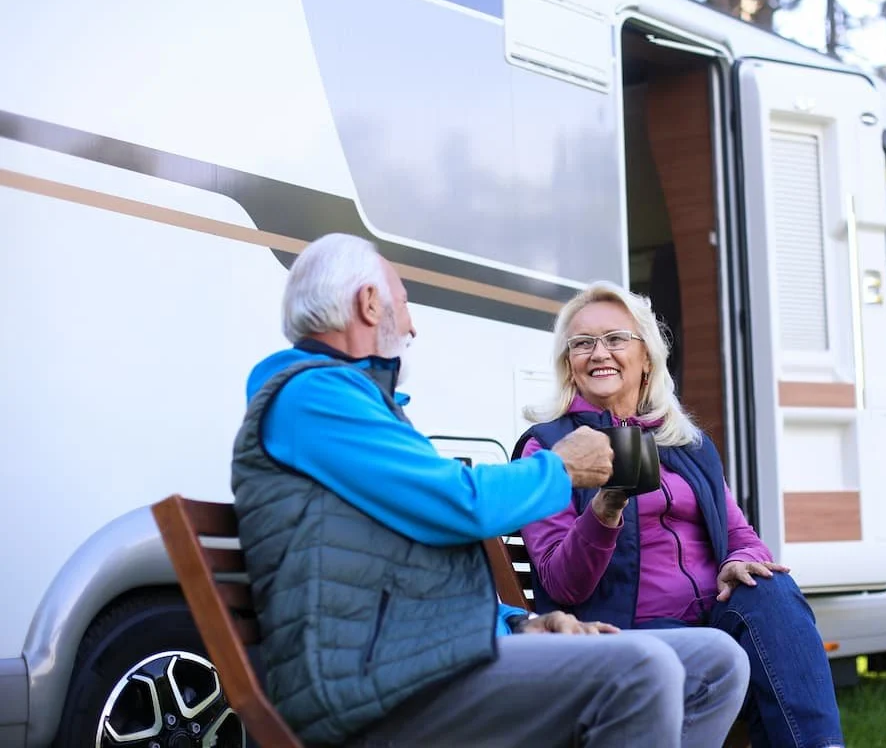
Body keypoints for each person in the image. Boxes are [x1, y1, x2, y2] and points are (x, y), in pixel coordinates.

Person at [229, 235, 750, 748]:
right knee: (644, 667)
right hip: (373, 686)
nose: (412, 325)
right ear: (369, 303)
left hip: (427, 655)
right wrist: (560, 468)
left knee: (718, 661)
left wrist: (518, 622)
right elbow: (462, 503)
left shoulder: (353, 404)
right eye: (405, 304)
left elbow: (417, 568)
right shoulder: (314, 398)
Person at [517, 281, 845, 748]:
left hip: (717, 619)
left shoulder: (686, 442)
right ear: (569, 363)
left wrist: (740, 560)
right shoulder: (550, 448)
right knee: (742, 656)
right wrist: (605, 509)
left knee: (770, 589)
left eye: (615, 339)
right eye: (583, 343)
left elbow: (740, 534)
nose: (599, 353)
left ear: (647, 357)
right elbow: (561, 583)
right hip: (628, 631)